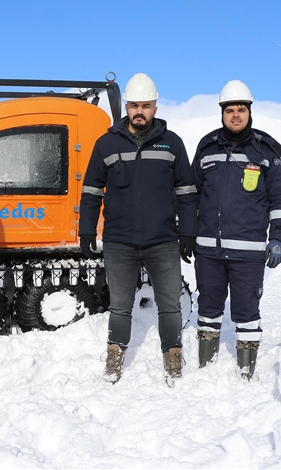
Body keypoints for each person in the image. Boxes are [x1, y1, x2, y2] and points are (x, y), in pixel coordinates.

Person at [79, 73, 198, 385]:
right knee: (120, 306)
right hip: (120, 242)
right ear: (127, 108)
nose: (139, 111)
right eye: (134, 105)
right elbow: (91, 191)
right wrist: (86, 231)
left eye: (146, 105)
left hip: (163, 241)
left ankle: (172, 355)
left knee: (170, 305)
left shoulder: (172, 144)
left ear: (155, 107)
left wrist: (187, 232)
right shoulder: (106, 143)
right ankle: (115, 355)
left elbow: (186, 192)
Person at [190, 80, 281, 380]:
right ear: (222, 113)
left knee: (246, 309)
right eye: (230, 110)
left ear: (249, 112)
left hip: (248, 252)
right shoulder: (207, 148)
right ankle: (206, 365)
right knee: (208, 306)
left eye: (241, 109)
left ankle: (245, 370)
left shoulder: (265, 152)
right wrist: (185, 233)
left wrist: (277, 239)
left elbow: (279, 199)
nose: (236, 115)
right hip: (208, 249)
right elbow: (191, 194)